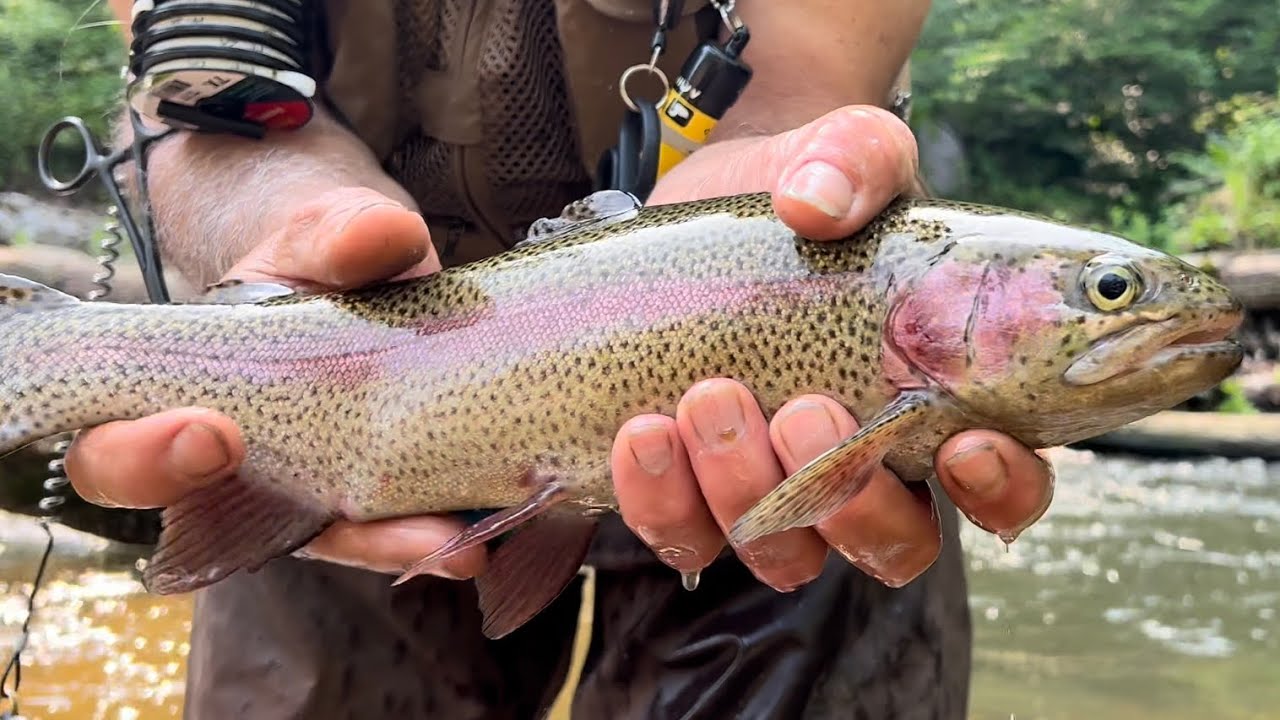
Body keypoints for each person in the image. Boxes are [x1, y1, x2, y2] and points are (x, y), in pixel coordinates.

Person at [70, 1, 1056, 717]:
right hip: (344, 364)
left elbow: (799, 87)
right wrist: (283, 227)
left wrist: (791, 164)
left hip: (780, 382)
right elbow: (208, 98)